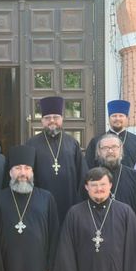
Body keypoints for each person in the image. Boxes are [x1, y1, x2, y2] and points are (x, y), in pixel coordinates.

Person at [26, 96, 86, 224]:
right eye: (47, 118)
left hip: (69, 201)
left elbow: (82, 174)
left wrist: (80, 203)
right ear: (42, 121)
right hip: (41, 204)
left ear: (62, 119)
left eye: (55, 117)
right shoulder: (31, 144)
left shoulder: (72, 143)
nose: (52, 121)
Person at [95, 133, 136, 222]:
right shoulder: (91, 178)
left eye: (114, 147)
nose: (110, 151)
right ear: (99, 152)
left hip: (129, 232)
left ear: (121, 150)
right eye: (105, 148)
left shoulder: (135, 177)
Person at [85, 99, 136, 168]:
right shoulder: (96, 141)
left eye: (121, 116)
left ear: (127, 118)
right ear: (109, 118)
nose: (117, 119)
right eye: (114, 116)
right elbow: (88, 166)